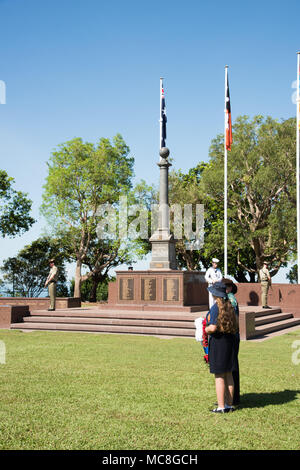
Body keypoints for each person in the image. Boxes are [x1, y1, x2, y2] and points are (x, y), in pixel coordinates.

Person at [205, 281, 238, 413]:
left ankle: (221, 407)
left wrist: (205, 329)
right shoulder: (230, 305)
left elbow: (212, 327)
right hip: (230, 341)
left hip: (219, 343)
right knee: (229, 374)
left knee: (219, 375)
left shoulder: (215, 308)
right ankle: (229, 405)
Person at [223, 278, 240, 406]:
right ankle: (232, 397)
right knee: (232, 366)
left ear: (229, 288)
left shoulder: (230, 300)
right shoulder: (229, 298)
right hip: (234, 335)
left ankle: (232, 398)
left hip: (231, 336)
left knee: (231, 367)